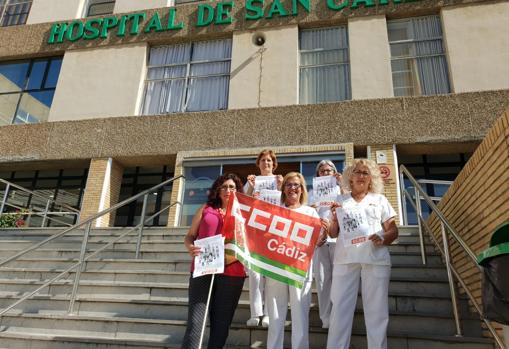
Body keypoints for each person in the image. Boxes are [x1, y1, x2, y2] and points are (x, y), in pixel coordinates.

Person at [326, 159, 399, 349]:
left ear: (371, 178)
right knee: (340, 310)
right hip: (345, 260)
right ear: (350, 177)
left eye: (365, 173)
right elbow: (333, 233)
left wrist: (383, 237)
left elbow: (393, 230)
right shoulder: (340, 200)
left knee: (377, 312)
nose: (361, 176)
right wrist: (334, 219)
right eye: (357, 172)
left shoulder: (380, 200)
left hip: (375, 259)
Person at [182, 173, 246, 349]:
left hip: (232, 273)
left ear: (237, 191)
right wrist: (190, 247)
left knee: (221, 326)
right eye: (224, 187)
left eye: (232, 187)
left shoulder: (244, 213)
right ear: (218, 190)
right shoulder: (206, 208)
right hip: (203, 269)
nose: (228, 190)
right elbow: (189, 236)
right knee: (196, 323)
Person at [265, 172, 327, 349]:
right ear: (283, 189)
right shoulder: (273, 210)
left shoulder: (310, 212)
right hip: (275, 268)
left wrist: (322, 236)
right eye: (289, 184)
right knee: (275, 316)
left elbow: (317, 240)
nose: (293, 188)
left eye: (296, 185)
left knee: (300, 316)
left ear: (302, 190)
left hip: (300, 269)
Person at [244, 149, 283, 327]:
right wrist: (251, 187)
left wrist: (281, 188)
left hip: (273, 233)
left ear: (273, 164)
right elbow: (242, 203)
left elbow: (286, 206)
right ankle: (255, 313)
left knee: (270, 275)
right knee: (254, 274)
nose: (266, 163)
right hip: (254, 232)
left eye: (269, 161)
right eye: (263, 160)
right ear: (258, 164)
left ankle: (268, 313)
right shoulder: (252, 182)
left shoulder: (280, 181)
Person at [308, 160, 342, 329]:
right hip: (319, 241)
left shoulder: (340, 190)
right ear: (318, 174)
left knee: (338, 278)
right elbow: (306, 215)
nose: (326, 173)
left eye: (329, 170)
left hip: (337, 239)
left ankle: (338, 314)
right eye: (322, 171)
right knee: (322, 279)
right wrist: (311, 207)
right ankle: (325, 317)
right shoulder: (312, 193)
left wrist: (342, 184)